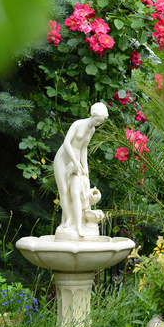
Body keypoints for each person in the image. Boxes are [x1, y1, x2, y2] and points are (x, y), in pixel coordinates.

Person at [53, 102, 108, 237]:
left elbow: (83, 148)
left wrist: (85, 168)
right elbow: (66, 143)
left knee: (75, 191)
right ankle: (68, 218)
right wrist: (75, 162)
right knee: (64, 190)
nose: (98, 123)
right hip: (62, 160)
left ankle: (75, 222)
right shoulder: (78, 124)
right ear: (92, 115)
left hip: (75, 162)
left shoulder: (92, 130)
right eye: (97, 120)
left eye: (101, 121)